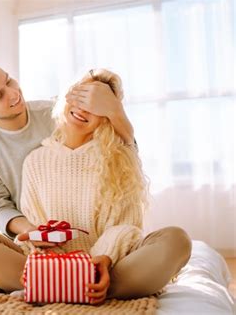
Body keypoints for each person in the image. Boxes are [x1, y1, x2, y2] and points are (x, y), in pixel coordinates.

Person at [0, 59, 139, 297]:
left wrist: (115, 110)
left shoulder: (56, 112)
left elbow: (119, 149)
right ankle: (74, 283)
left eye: (9, 80)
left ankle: (54, 283)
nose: (13, 94)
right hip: (31, 238)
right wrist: (35, 232)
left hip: (86, 231)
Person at [16, 68, 191, 303]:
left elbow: (127, 225)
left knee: (177, 240)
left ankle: (66, 288)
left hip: (112, 266)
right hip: (51, 265)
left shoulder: (119, 159)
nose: (83, 109)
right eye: (81, 97)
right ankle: (71, 285)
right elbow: (37, 224)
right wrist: (60, 263)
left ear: (108, 116)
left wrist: (101, 261)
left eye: (96, 106)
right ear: (67, 98)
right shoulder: (34, 161)